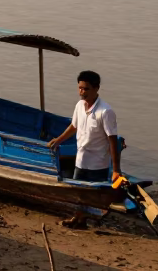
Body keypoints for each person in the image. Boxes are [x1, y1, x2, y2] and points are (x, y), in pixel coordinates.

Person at [46, 71, 121, 223]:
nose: (82, 92)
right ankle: (78, 218)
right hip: (81, 159)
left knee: (93, 194)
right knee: (78, 192)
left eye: (86, 89)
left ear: (96, 89)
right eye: (80, 88)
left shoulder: (105, 112)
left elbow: (112, 140)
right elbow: (74, 126)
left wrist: (116, 171)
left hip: (97, 162)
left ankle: (88, 218)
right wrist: (59, 139)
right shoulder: (79, 106)